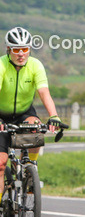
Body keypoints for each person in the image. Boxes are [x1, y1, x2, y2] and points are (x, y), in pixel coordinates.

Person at [0, 27, 64, 202]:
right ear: (8, 49)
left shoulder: (35, 65)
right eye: (16, 50)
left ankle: (30, 166)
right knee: (1, 164)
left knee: (36, 127)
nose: (21, 54)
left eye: (25, 49)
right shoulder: (1, 65)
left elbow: (44, 92)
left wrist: (54, 116)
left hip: (24, 112)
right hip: (1, 115)